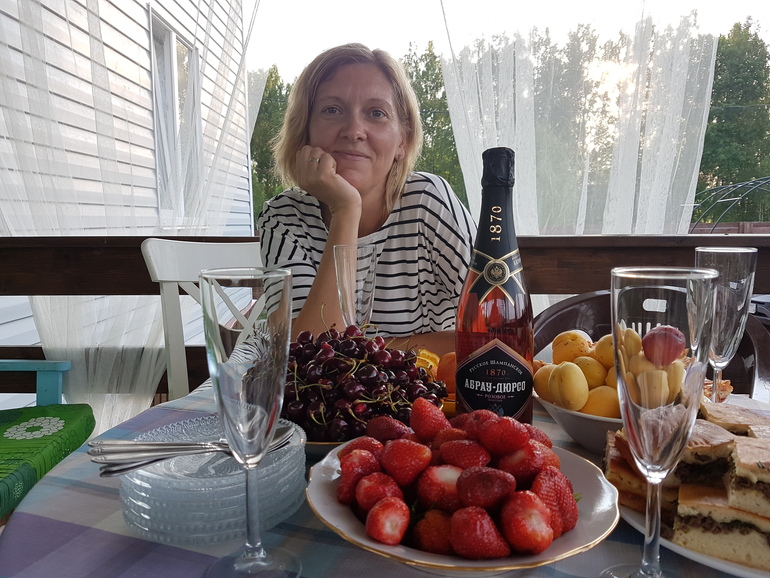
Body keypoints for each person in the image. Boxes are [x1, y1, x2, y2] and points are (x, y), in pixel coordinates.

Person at [257, 43, 474, 356]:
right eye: (332, 110)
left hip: (429, 387)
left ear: (403, 141)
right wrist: (346, 210)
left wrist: (363, 352)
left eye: (376, 113)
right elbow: (303, 357)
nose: (354, 130)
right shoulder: (284, 216)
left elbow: (495, 332)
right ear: (305, 132)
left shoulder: (429, 201)